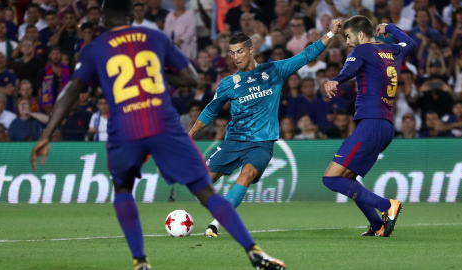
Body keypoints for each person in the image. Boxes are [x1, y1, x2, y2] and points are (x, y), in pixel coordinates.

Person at [30, 1, 286, 270]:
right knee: (206, 192)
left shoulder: (96, 48)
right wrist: (155, 75)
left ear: (104, 18)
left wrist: (47, 133)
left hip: (126, 129)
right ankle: (254, 252)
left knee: (123, 188)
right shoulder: (154, 37)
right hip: (163, 125)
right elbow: (190, 78)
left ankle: (140, 261)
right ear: (132, 16)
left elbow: (71, 91)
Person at [189, 20, 342, 237]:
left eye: (240, 51)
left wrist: (331, 33)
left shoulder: (274, 71)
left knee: (248, 173)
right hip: (233, 141)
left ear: (251, 50)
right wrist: (190, 135)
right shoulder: (228, 83)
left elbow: (307, 55)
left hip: (261, 142)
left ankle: (217, 222)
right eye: (232, 53)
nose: (236, 57)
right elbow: (209, 111)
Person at [323, 16, 416, 237]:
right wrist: (390, 27)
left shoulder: (361, 51)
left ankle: (387, 206)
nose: (347, 42)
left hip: (370, 125)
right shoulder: (394, 50)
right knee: (348, 178)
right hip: (386, 127)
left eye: (348, 36)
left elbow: (349, 70)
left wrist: (335, 80)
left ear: (361, 35)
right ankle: (378, 226)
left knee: (331, 178)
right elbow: (410, 43)